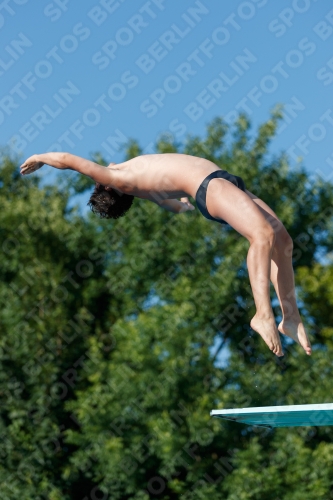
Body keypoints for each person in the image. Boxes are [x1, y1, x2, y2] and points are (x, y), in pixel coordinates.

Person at [20, 151, 312, 358]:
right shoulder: (117, 177)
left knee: (283, 242)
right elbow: (69, 161)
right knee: (262, 235)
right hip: (210, 187)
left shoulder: (136, 181)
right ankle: (262, 315)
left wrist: (179, 206)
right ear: (107, 185)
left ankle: (290, 317)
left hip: (222, 182)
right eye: (98, 180)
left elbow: (165, 198)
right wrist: (39, 158)